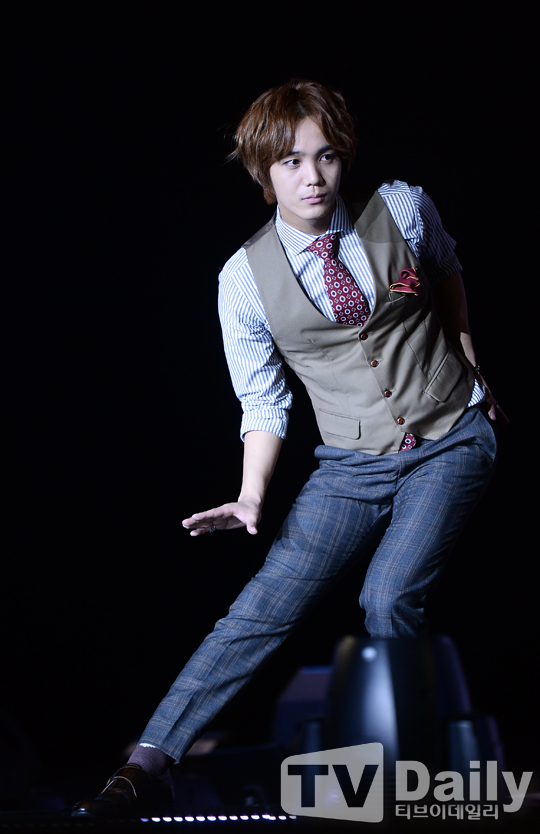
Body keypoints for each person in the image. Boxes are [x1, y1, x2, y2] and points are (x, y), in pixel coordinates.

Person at [72, 79, 507, 818]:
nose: (313, 177)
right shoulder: (244, 280)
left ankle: (414, 778)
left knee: (388, 595)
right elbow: (263, 400)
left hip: (451, 437)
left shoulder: (402, 208)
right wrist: (251, 495)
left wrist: (470, 364)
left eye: (326, 157)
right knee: (259, 608)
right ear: (263, 171)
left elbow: (445, 271)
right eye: (291, 162)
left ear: (344, 159)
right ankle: (146, 765)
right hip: (352, 461)